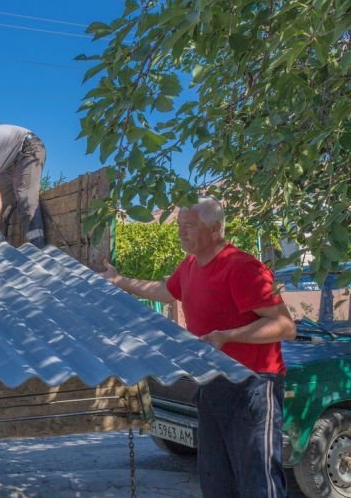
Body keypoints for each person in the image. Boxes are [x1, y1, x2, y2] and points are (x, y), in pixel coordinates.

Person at [101, 197, 295, 497]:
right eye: (180, 226)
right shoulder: (191, 265)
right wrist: (120, 281)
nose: (181, 232)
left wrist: (227, 336)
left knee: (259, 482)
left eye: (189, 226)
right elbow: (166, 291)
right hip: (212, 383)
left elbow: (285, 326)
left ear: (215, 229)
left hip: (253, 386)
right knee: (217, 481)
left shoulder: (242, 267)